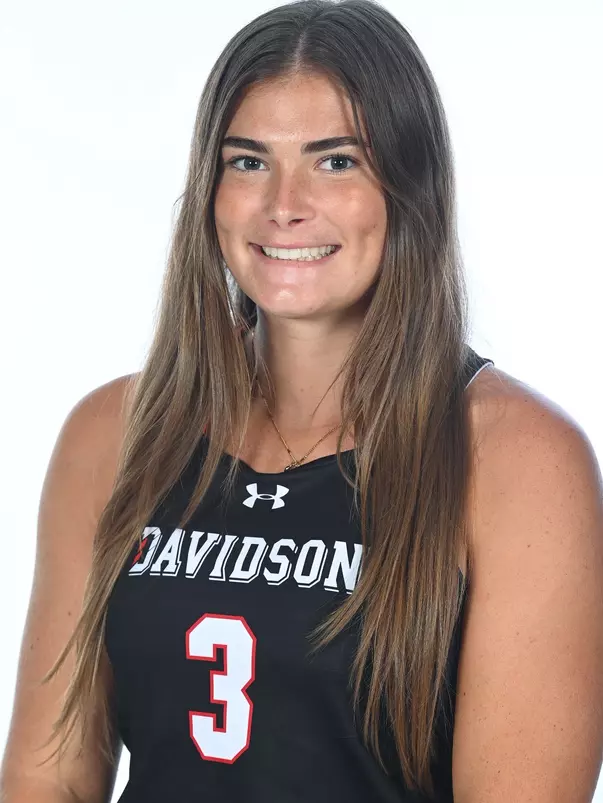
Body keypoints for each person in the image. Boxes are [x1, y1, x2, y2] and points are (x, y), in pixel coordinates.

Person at [2, 0, 603, 801]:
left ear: (407, 181)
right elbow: (49, 775)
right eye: (248, 161)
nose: (284, 204)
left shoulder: (518, 460)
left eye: (335, 161)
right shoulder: (113, 433)